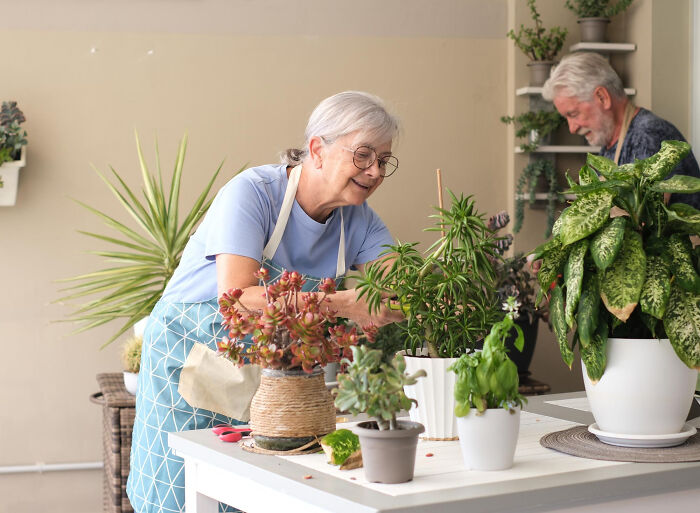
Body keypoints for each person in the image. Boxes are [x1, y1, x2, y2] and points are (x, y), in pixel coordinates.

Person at [126, 91, 405, 513]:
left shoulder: (360, 222)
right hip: (188, 365)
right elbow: (238, 300)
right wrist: (345, 304)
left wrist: (405, 297)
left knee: (257, 496)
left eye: (384, 160)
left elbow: (401, 290)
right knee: (178, 497)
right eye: (363, 155)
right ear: (317, 149)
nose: (374, 171)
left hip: (270, 386)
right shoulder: (253, 193)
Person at [542, 51, 700, 210]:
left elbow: (648, 221)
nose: (572, 128)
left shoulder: (647, 135)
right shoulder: (609, 143)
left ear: (602, 97)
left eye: (573, 114)